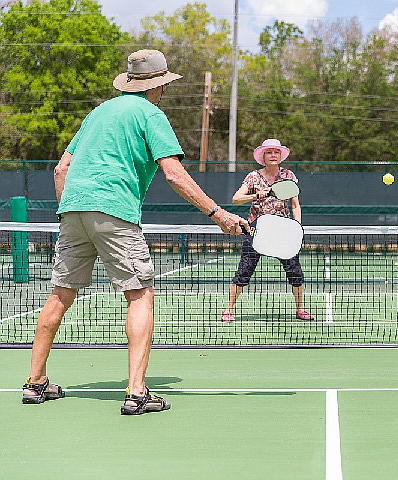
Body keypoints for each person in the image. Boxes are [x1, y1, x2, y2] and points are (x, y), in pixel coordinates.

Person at [21, 50, 246, 414]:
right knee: (140, 295)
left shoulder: (98, 112)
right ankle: (137, 392)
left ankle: (35, 383)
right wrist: (217, 213)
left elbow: (61, 169)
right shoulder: (151, 115)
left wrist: (68, 211)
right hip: (114, 210)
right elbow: (173, 174)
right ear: (158, 85)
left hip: (72, 210)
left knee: (60, 295)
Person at [222, 139, 314, 322]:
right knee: (244, 270)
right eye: (269, 152)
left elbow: (295, 206)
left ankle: (300, 309)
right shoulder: (253, 177)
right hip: (256, 230)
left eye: (276, 152)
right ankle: (228, 309)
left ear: (280, 156)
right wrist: (256, 195)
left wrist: (298, 228)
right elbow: (236, 199)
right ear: (263, 157)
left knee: (295, 271)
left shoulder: (288, 175)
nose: (273, 155)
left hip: (283, 231)